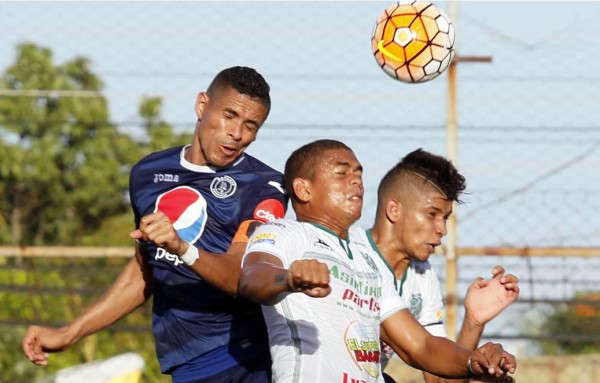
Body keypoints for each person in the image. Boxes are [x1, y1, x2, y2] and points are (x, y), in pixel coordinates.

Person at [22, 66, 288, 383]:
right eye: (229, 116)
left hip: (243, 357)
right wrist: (69, 333)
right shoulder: (148, 173)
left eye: (250, 125)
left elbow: (240, 277)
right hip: (184, 361)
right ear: (202, 105)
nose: (236, 133)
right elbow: (143, 272)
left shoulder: (265, 187)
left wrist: (181, 246)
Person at [238, 139, 516, 383]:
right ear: (303, 189)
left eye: (359, 173)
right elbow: (252, 276)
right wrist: (287, 279)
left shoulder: (384, 268)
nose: (356, 181)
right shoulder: (293, 235)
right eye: (341, 173)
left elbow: (424, 353)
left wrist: (473, 346)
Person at [352, 149, 520, 383]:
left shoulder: (421, 274)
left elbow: (440, 381)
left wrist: (474, 321)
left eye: (446, 218)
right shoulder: (349, 255)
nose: (442, 229)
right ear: (394, 210)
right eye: (432, 214)